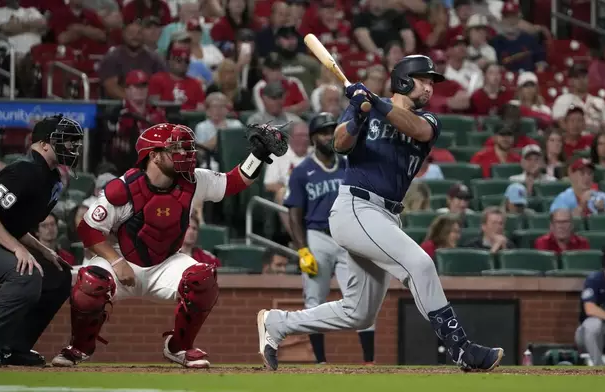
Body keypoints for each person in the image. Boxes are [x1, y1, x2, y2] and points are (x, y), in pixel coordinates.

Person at [256, 55, 503, 372]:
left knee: (359, 313)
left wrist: (374, 102)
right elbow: (340, 144)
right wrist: (358, 116)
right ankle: (463, 349)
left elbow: (414, 128)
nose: (429, 87)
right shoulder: (365, 107)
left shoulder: (427, 121)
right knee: (420, 264)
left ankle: (277, 324)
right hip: (356, 207)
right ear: (403, 79)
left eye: (431, 82)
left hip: (385, 216)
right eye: (424, 80)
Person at [51, 121, 286, 369]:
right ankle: (79, 347)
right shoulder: (124, 188)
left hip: (165, 263)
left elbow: (233, 181)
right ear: (153, 155)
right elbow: (88, 229)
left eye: (186, 149)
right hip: (121, 260)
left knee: (202, 278)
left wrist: (257, 154)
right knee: (91, 283)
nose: (186, 155)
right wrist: (117, 262)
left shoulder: (193, 180)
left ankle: (179, 347)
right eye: (176, 149)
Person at [0, 116, 82, 367]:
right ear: (44, 144)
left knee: (57, 274)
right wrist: (17, 249)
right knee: (26, 274)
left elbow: (13, 224)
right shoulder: (24, 170)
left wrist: (42, 249)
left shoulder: (51, 178)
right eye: (66, 142)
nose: (72, 148)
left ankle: (14, 347)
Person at [283, 112, 376, 366]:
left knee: (360, 299)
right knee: (314, 301)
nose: (329, 136)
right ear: (313, 138)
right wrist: (302, 249)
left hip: (347, 237)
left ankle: (369, 361)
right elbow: (294, 214)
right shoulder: (302, 171)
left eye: (331, 131)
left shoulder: (349, 164)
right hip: (318, 237)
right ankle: (321, 362)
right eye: (324, 132)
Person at [575, 239, 605, 366]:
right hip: (587, 334)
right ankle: (599, 368)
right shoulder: (595, 279)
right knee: (593, 323)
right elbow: (590, 309)